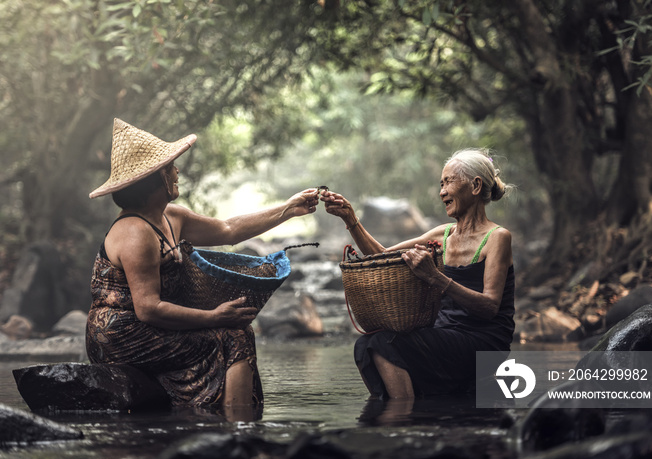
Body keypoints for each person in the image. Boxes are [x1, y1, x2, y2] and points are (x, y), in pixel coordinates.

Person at [87, 118, 319, 417]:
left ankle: (229, 421)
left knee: (237, 330)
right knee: (234, 335)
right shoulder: (135, 232)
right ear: (156, 179)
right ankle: (238, 426)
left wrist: (288, 209)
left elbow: (227, 229)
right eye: (170, 168)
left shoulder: (170, 216)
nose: (177, 171)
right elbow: (148, 308)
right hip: (122, 335)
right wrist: (212, 316)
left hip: (149, 325)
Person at [321, 148, 515, 399]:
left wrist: (434, 277)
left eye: (449, 182)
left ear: (476, 186)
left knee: (384, 344)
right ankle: (406, 417)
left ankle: (402, 417)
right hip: (445, 332)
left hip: (483, 342)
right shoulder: (442, 235)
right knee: (368, 343)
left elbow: (490, 307)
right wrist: (351, 219)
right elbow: (382, 257)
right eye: (441, 184)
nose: (442, 191)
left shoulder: (497, 237)